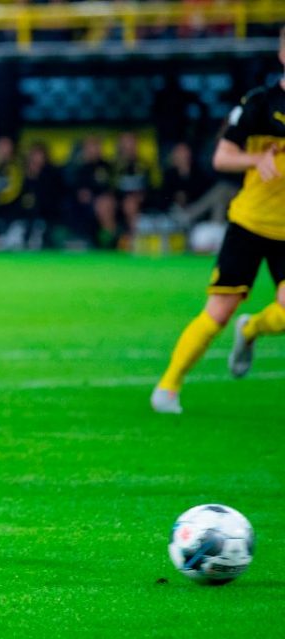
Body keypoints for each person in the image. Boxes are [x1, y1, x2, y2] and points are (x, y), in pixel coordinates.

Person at [151, 25, 285, 414]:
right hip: (250, 223)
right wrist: (256, 159)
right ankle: (168, 386)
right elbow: (221, 158)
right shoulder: (260, 103)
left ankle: (253, 328)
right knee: (217, 314)